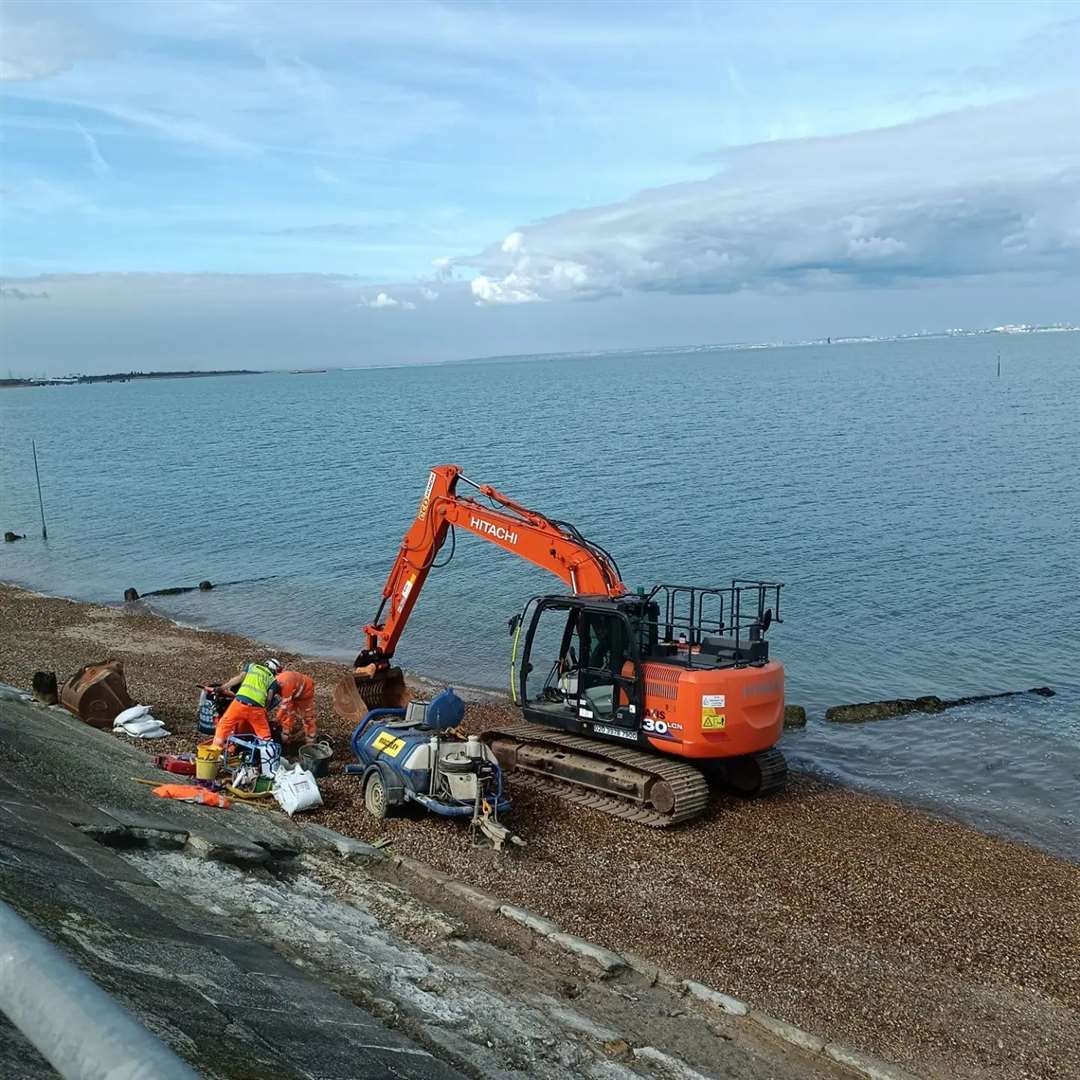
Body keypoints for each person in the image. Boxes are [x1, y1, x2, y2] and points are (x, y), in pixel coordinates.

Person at [211, 658, 283, 749]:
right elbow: (269, 698)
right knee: (264, 734)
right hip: (257, 708)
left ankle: (214, 750)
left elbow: (239, 678)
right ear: (274, 669)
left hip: (239, 702)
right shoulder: (273, 680)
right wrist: (264, 709)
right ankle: (268, 758)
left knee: (224, 724)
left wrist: (222, 688)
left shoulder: (251, 666)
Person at [273, 670, 317, 749]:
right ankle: (286, 735)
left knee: (307, 717)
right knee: (289, 713)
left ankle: (310, 741)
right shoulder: (276, 681)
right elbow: (286, 706)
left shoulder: (285, 684)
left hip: (306, 691)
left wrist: (277, 719)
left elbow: (284, 706)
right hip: (294, 693)